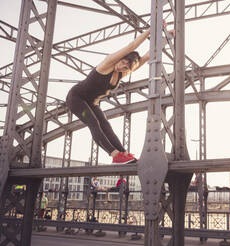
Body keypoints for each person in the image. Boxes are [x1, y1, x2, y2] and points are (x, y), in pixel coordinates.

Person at [66, 22, 173, 164]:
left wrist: (167, 37)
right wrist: (153, 29)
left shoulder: (122, 72)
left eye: (127, 67)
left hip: (92, 102)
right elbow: (132, 46)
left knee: (106, 126)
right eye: (123, 61)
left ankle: (124, 154)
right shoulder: (109, 62)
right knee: (94, 123)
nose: (122, 66)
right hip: (76, 98)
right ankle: (115, 155)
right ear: (122, 58)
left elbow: (148, 56)